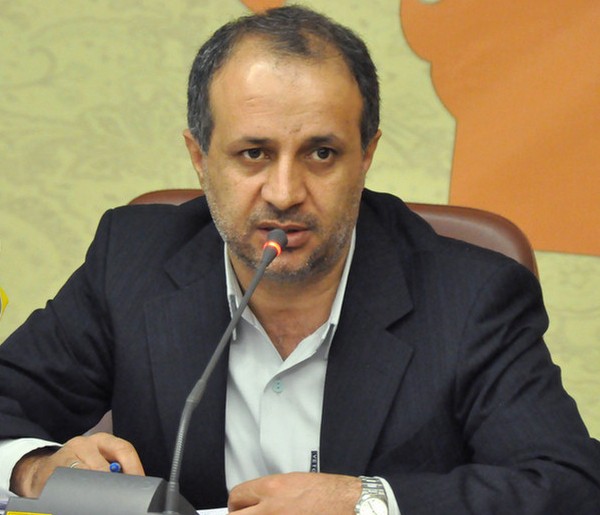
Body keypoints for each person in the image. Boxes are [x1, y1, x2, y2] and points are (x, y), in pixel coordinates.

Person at [0, 5, 599, 514]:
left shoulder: (470, 297)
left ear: (366, 157)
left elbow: (569, 484)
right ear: (200, 158)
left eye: (321, 153)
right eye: (253, 153)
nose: (285, 193)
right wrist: (35, 469)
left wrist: (364, 502)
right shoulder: (134, 262)